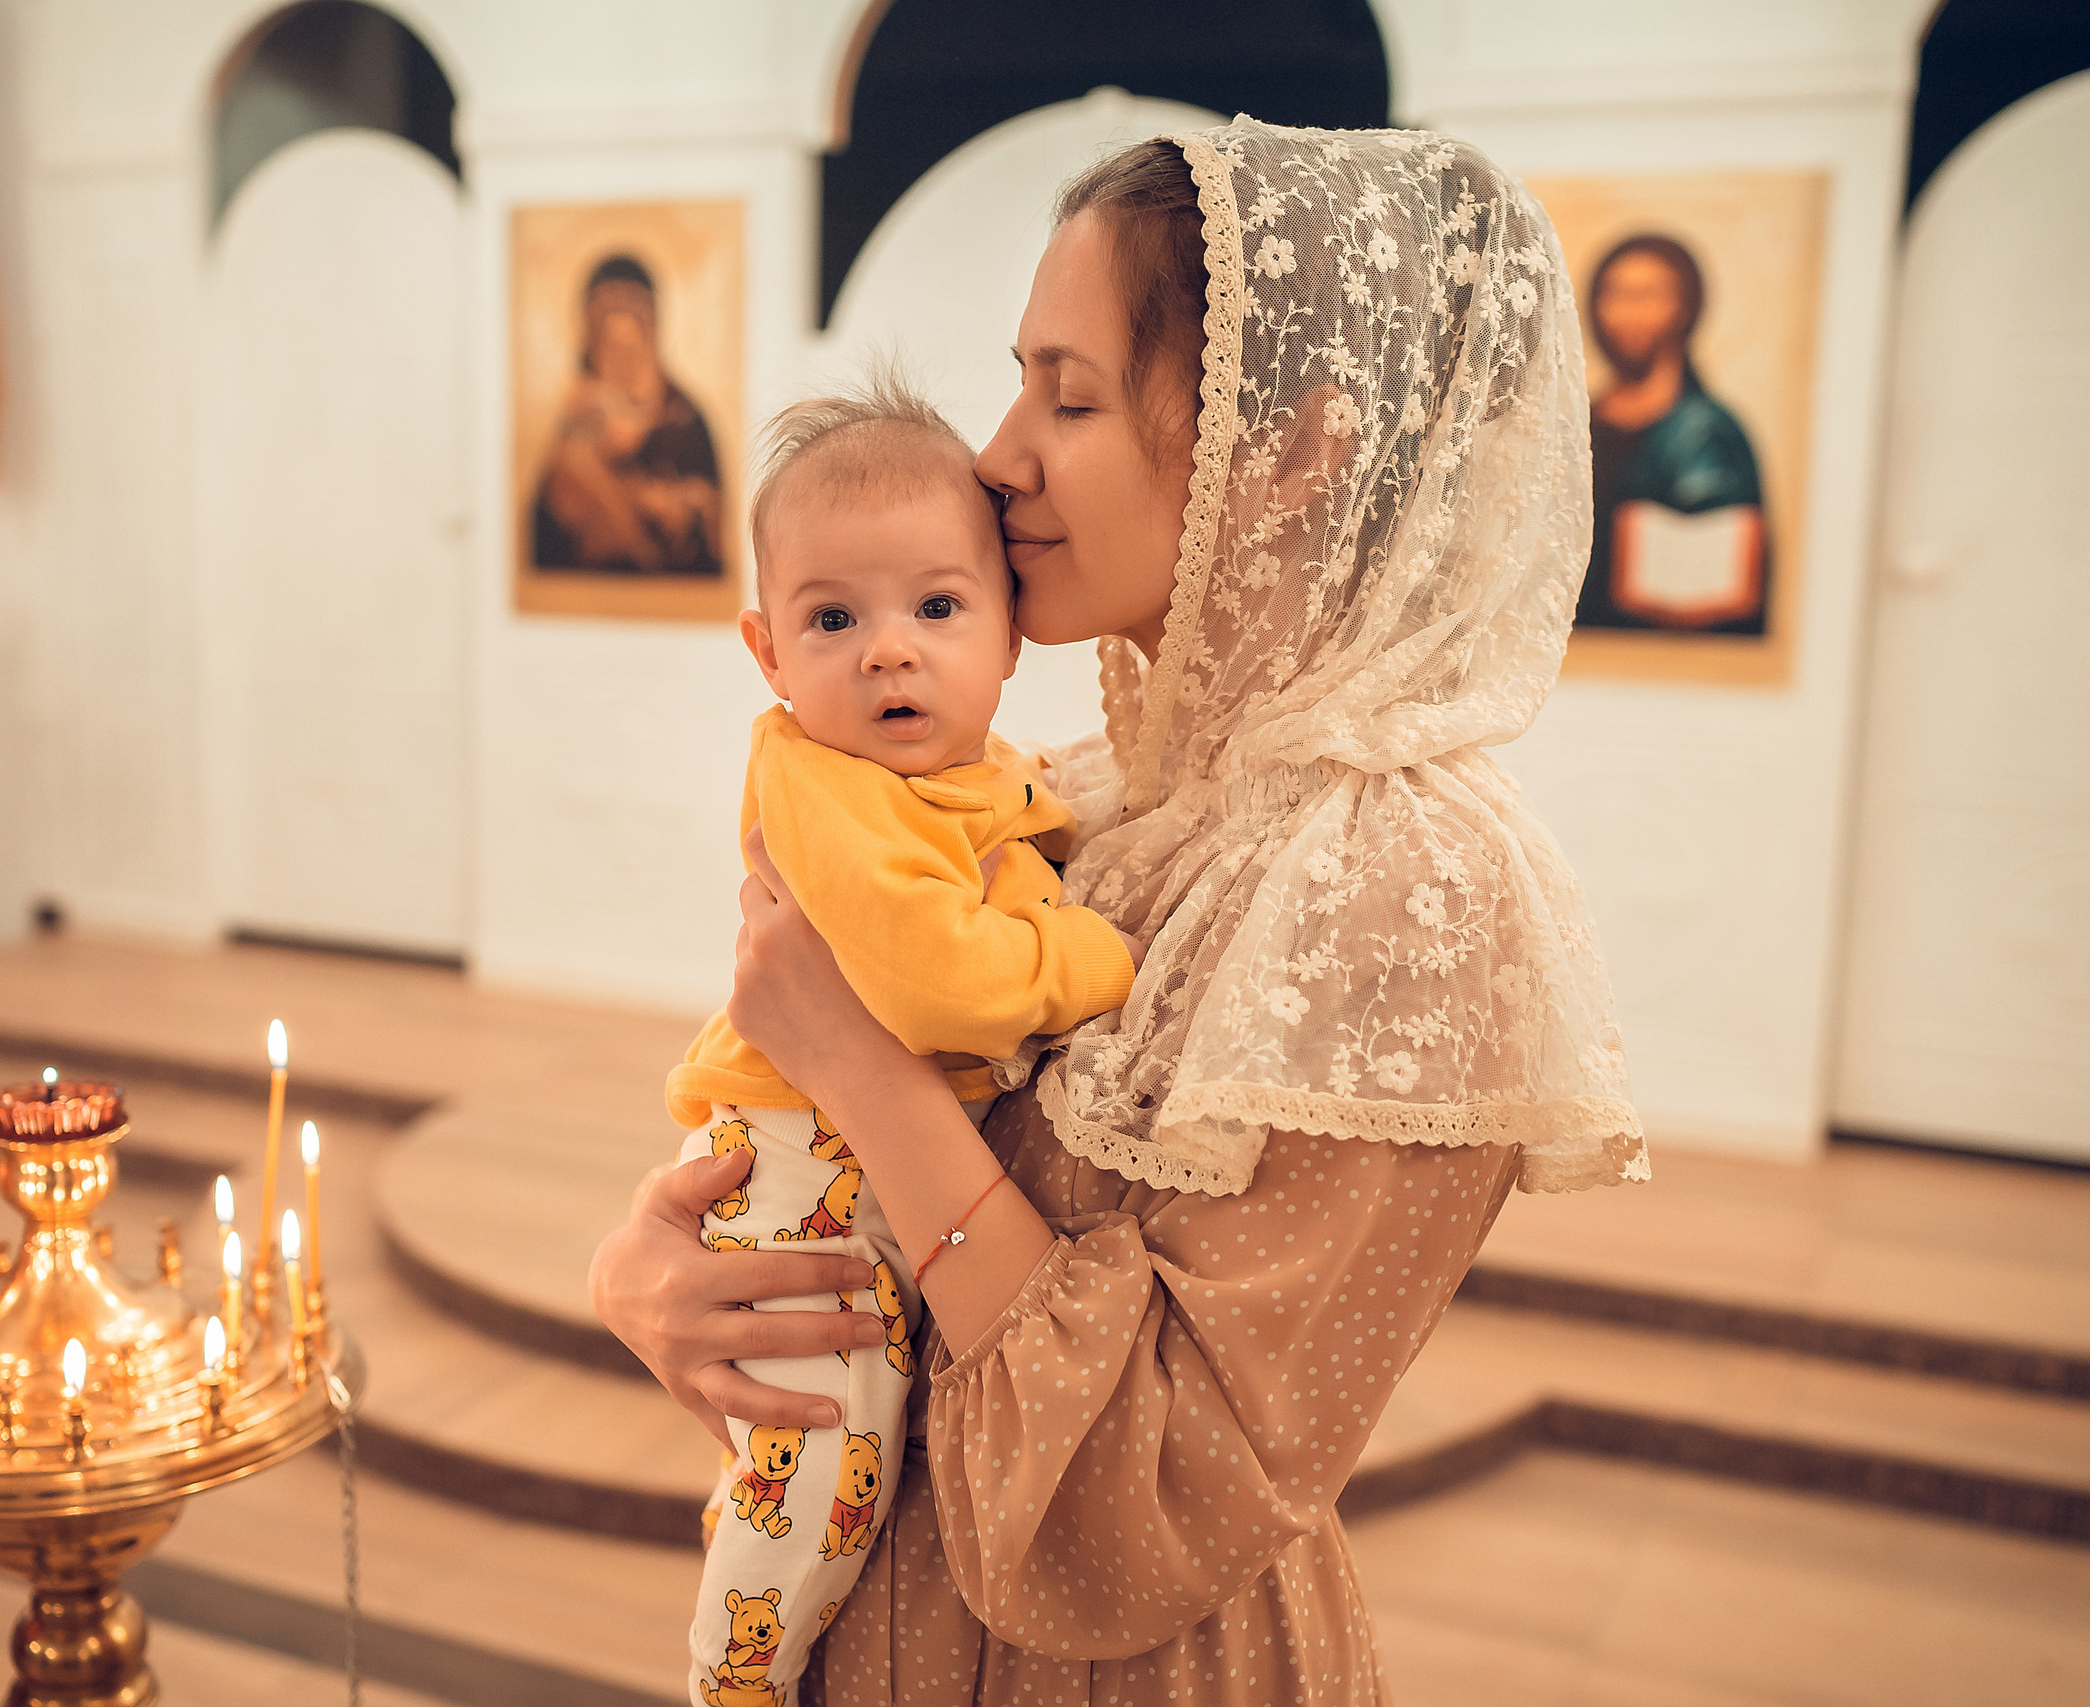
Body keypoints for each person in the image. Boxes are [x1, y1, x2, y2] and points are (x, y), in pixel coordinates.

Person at [592, 117, 1647, 1705]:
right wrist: (664, 1270)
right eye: (1019, 382)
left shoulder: (1413, 888)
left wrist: (859, 1060)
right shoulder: (1093, 791)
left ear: (1294, 446)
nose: (998, 455)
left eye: (1067, 395)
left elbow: (1130, 1503)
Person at [670, 377, 1142, 1705]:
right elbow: (944, 987)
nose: (889, 651)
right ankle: (732, 1675)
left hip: (865, 1154)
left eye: (936, 608)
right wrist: (1098, 957)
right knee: (828, 1435)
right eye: (834, 619)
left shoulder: (980, 772)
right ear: (769, 652)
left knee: (822, 1436)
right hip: (797, 1168)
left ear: (1009, 632)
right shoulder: (824, 784)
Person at [1575, 233, 1771, 632]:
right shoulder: (1575, 424)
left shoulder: (1707, 432)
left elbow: (1729, 589)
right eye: (1614, 295)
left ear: (1685, 308)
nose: (1627, 314)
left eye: (1647, 296)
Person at [532, 253, 726, 577]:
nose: (621, 363)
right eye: (610, 347)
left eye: (631, 349)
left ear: (650, 341)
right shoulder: (578, 421)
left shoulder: (684, 421)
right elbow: (548, 537)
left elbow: (706, 538)